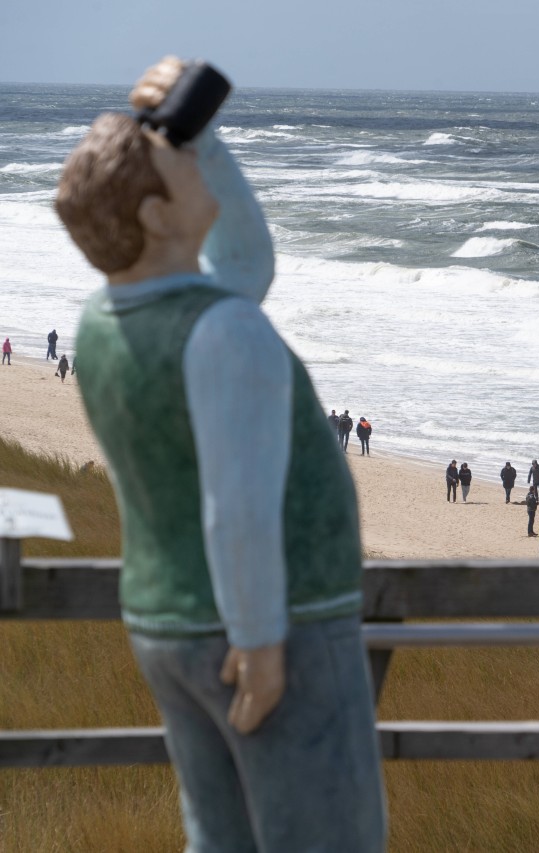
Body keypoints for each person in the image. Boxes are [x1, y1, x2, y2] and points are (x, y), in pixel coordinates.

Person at [57, 58, 385, 850]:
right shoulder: (227, 334)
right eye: (185, 159)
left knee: (221, 836)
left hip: (165, 622)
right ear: (157, 215)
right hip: (271, 629)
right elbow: (234, 508)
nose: (196, 160)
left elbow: (244, 266)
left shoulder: (104, 322)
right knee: (325, 836)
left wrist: (206, 134)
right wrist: (260, 639)